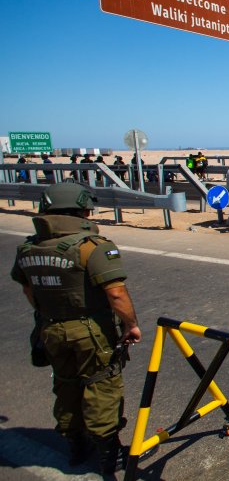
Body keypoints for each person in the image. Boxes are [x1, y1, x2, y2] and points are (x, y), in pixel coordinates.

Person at [10, 182, 141, 474]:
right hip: (91, 331)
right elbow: (116, 293)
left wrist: (48, 315)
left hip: (50, 328)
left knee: (66, 384)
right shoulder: (91, 248)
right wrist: (130, 325)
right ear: (82, 210)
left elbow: (29, 291)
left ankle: (75, 445)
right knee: (101, 385)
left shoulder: (28, 249)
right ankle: (109, 452)